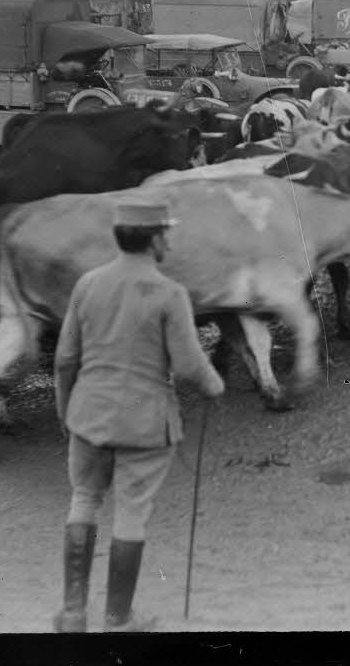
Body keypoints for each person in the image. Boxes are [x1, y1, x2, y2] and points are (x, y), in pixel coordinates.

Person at [52, 201, 225, 633]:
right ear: (152, 239)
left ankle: (73, 615)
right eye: (165, 232)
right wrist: (214, 384)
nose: (169, 240)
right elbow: (188, 366)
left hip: (88, 417)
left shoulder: (88, 284)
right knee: (130, 512)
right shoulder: (169, 293)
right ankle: (117, 619)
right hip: (145, 425)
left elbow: (64, 360)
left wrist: (66, 412)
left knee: (84, 500)